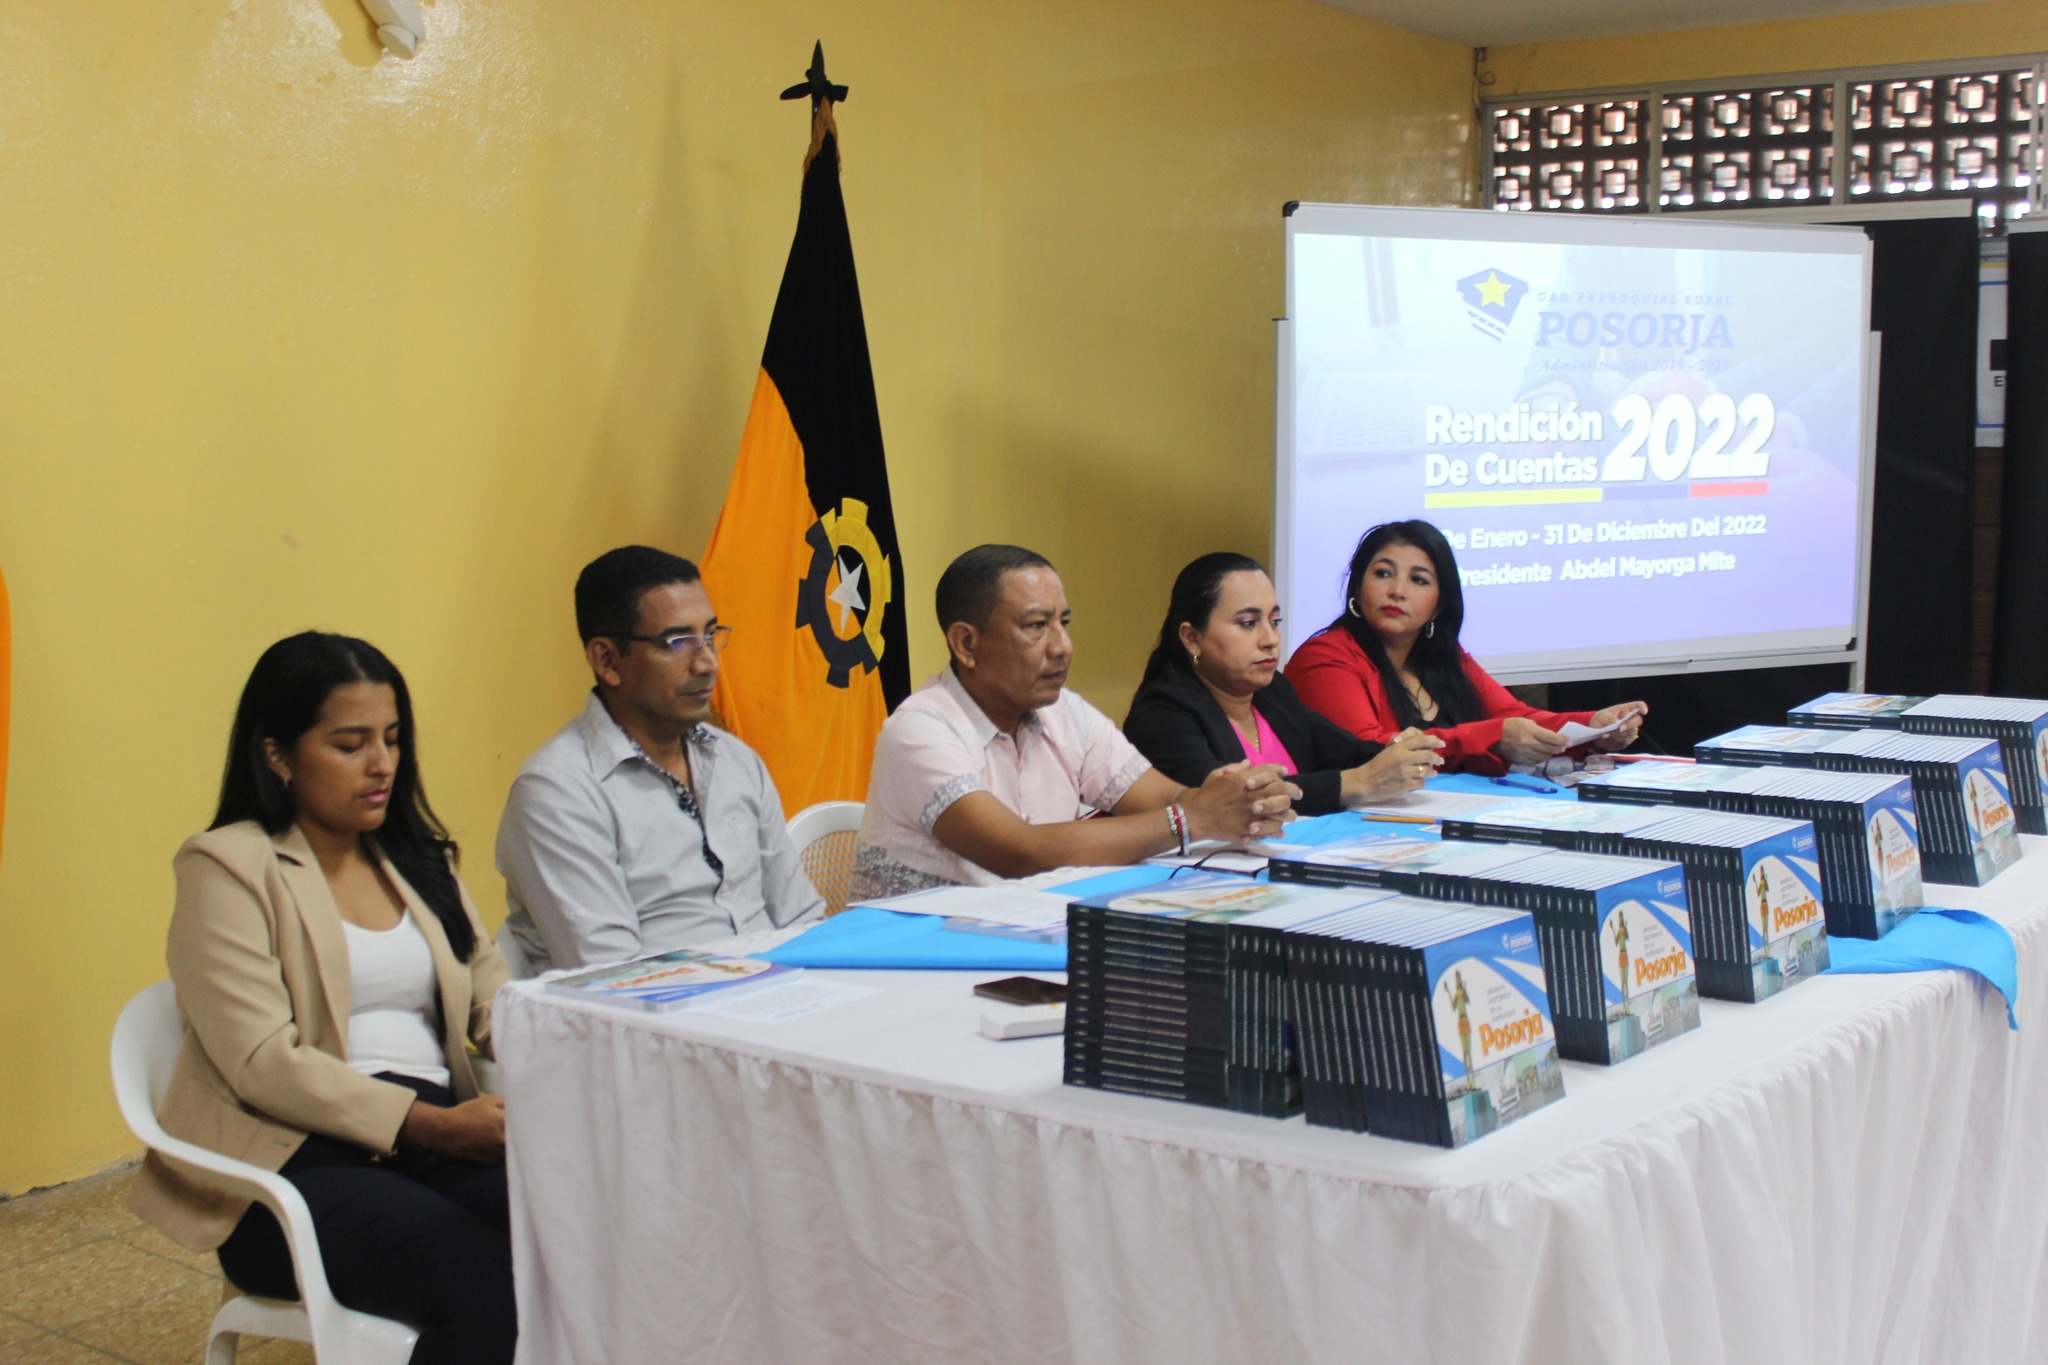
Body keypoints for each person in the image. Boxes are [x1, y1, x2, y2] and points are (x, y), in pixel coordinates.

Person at [130, 633, 515, 1365]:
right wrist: (432, 1128)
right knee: (485, 1284)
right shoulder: (227, 866)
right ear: (277, 755)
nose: (382, 764)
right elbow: (262, 1062)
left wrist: (560, 1061)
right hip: (294, 1159)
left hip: (434, 1130)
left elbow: (492, 993)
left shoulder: (417, 856)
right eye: (350, 744)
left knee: (578, 1231)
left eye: (392, 738)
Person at [851, 544, 1295, 896]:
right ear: (966, 644)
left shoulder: (1066, 713)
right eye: (1036, 626)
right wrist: (1190, 819)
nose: (1063, 646)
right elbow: (1018, 853)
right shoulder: (920, 730)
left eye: (1063, 623)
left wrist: (1236, 800)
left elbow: (1168, 798)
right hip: (906, 954)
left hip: (1024, 932)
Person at [497, 547, 821, 973]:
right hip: (666, 1005)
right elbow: (615, 978)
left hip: (783, 995)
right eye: (678, 642)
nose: (708, 663)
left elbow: (802, 921)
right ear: (607, 660)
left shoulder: (734, 759)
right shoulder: (559, 791)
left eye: (710, 635)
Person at [1287, 520, 1646, 775]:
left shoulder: (1444, 658)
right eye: (1383, 573)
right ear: (1357, 586)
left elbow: (1514, 715)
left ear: (1439, 604)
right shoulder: (1324, 658)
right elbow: (1368, 751)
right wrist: (1493, 738)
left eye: (1418, 580)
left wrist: (1594, 728)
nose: (1397, 590)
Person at [1123, 552, 1445, 813]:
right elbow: (1234, 800)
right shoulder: (1161, 715)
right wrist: (1360, 782)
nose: (1271, 639)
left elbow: (1347, 752)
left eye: (1274, 621)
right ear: (1192, 638)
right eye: (1248, 623)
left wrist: (1397, 754)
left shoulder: (1272, 691)